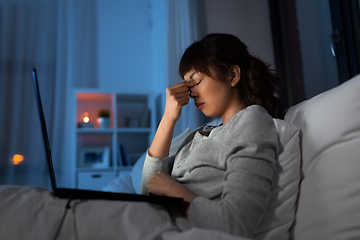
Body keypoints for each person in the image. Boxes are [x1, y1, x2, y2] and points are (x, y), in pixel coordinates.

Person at [140, 33, 283, 238]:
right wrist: (169, 117)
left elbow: (236, 223)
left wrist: (173, 191)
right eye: (187, 85)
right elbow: (148, 189)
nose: (191, 93)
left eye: (195, 81)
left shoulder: (252, 121)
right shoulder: (203, 133)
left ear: (233, 75)